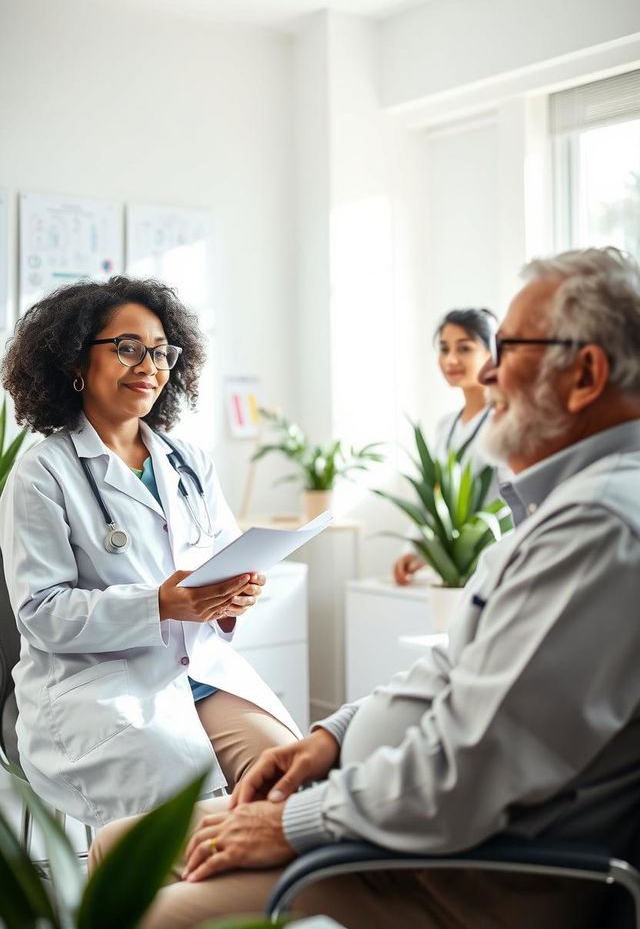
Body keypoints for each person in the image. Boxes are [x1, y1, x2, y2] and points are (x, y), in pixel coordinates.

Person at [91, 246, 640, 929]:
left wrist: (295, 822)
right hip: (400, 816)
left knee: (157, 907)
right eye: (126, 349)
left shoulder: (597, 528)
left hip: (459, 867)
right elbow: (453, 666)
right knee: (118, 849)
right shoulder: (561, 511)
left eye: (509, 347)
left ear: (586, 374)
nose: (487, 370)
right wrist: (333, 738)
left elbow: (468, 773)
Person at [0, 276, 300, 828]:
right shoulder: (42, 471)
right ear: (74, 361)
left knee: (292, 782)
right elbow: (41, 613)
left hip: (202, 671)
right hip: (102, 687)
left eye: (161, 352)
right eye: (128, 348)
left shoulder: (188, 461)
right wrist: (159, 604)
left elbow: (227, 555)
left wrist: (236, 594)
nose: (149, 366)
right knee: (183, 816)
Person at [394, 306, 501, 586]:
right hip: (453, 575)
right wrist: (414, 549)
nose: (450, 359)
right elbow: (435, 497)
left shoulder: (506, 423)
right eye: (444, 349)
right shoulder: (446, 425)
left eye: (464, 349)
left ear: (491, 352)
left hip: (494, 565)